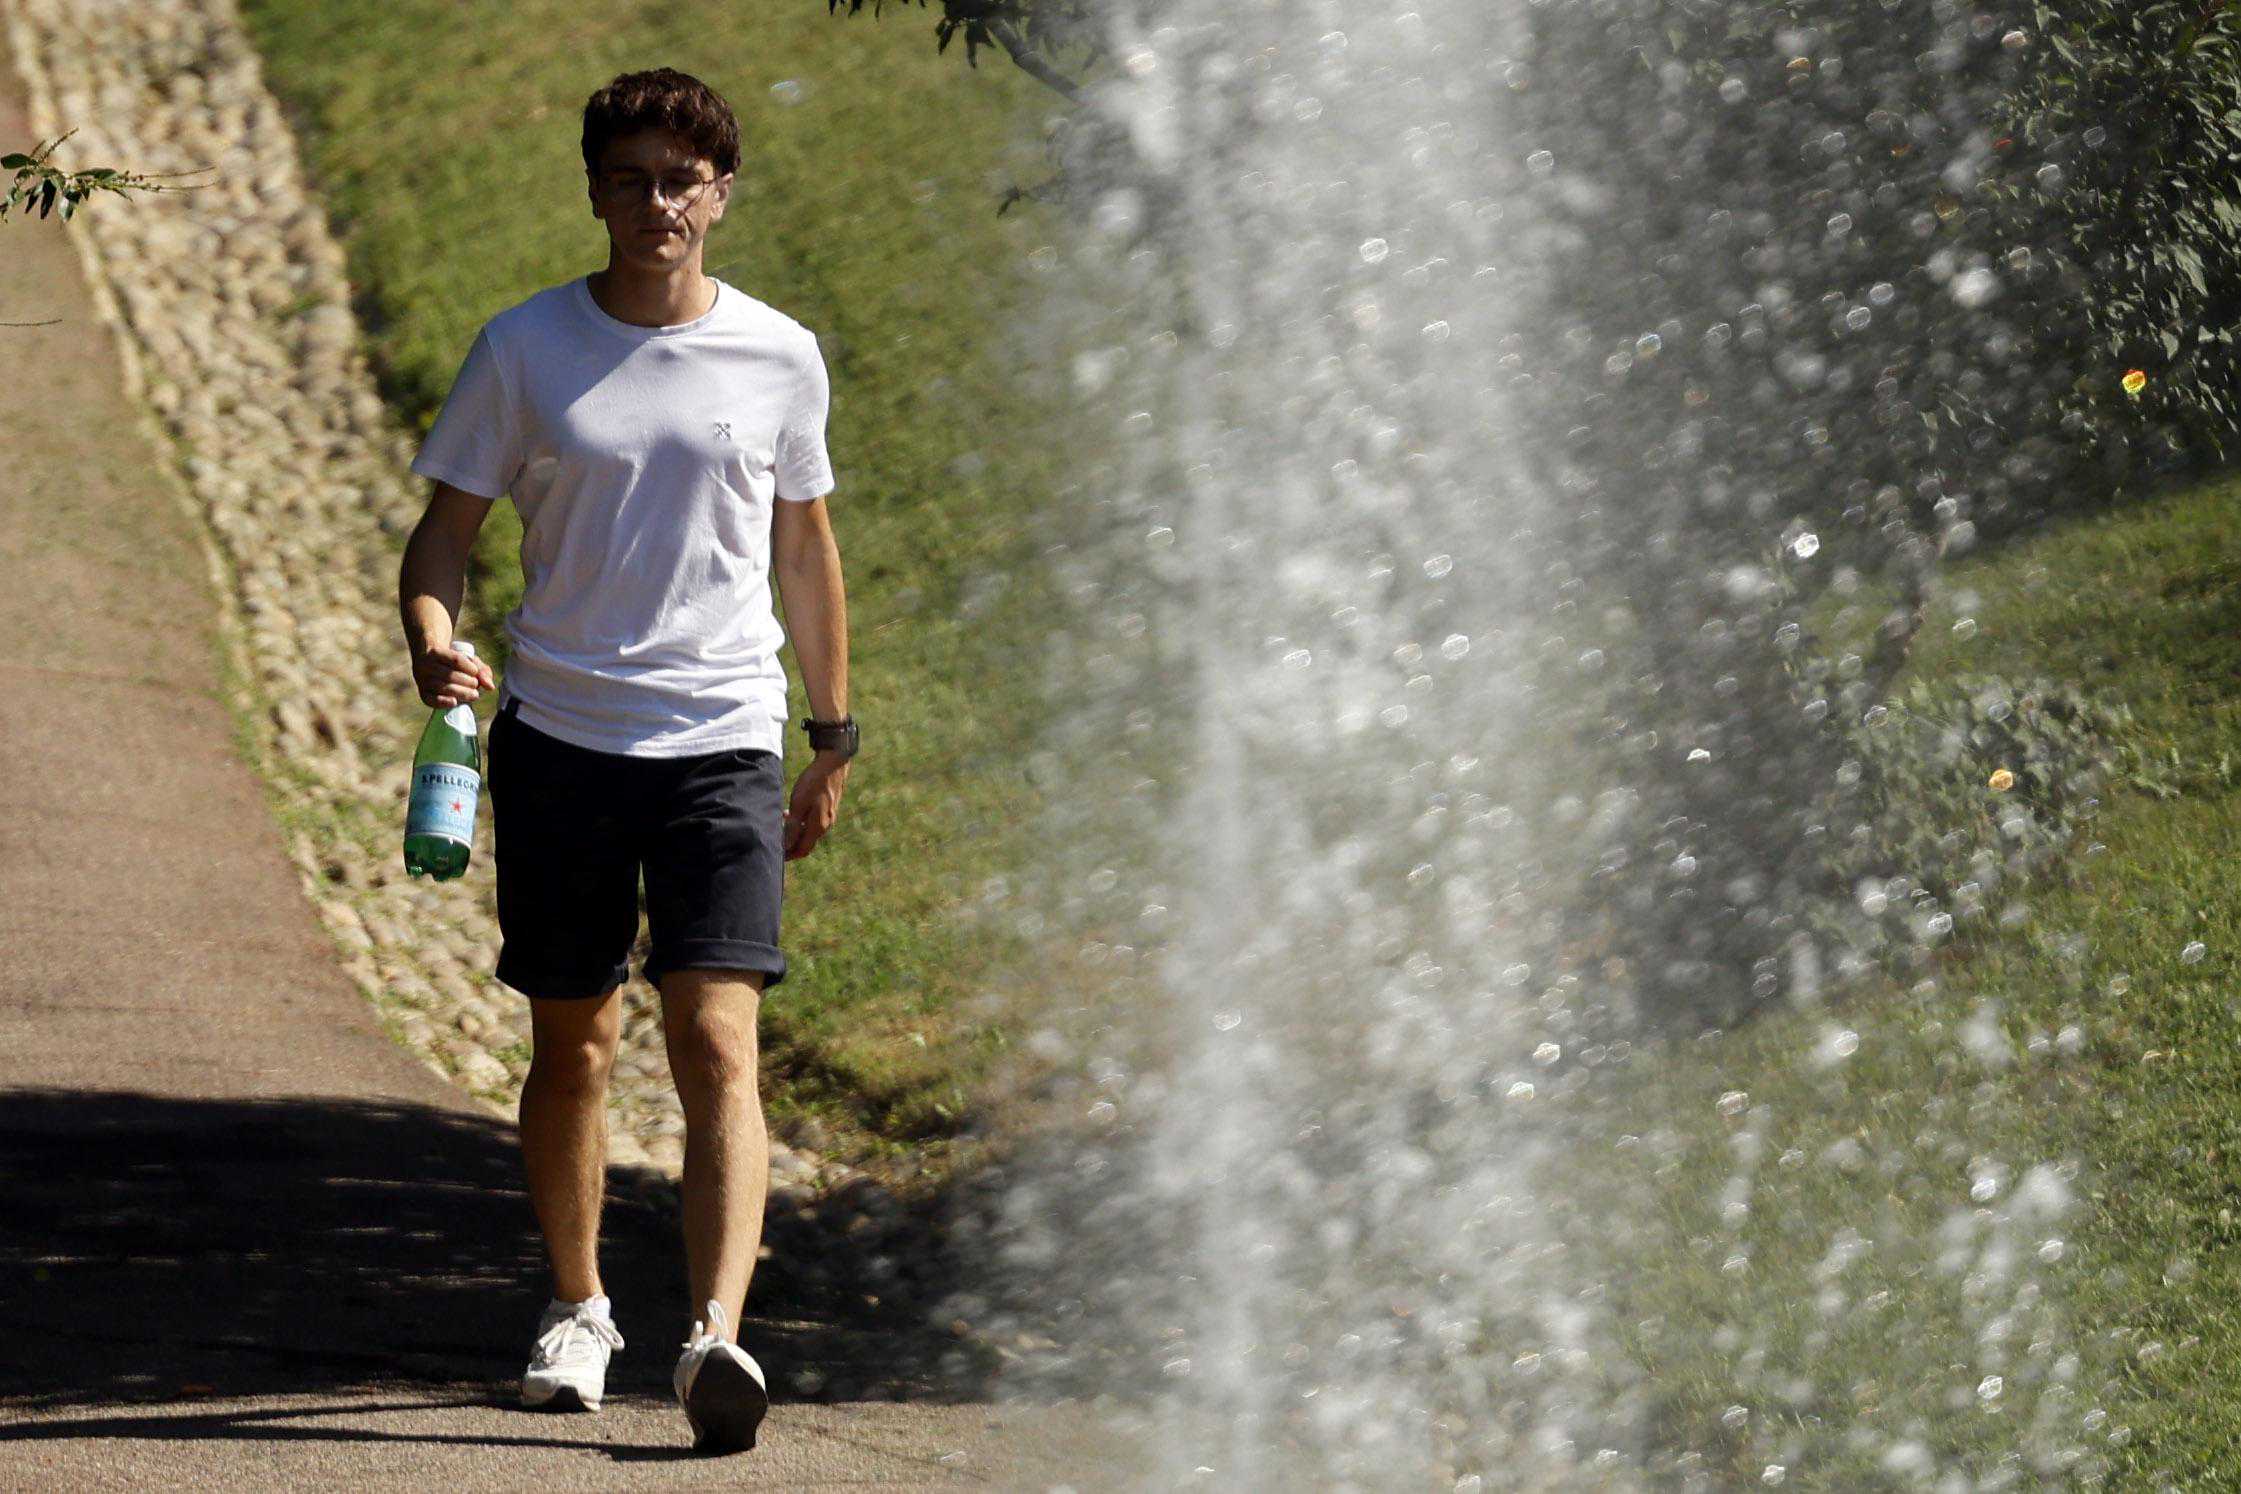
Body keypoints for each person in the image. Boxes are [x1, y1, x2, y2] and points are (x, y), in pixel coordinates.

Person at [395, 66, 858, 1455]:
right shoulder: (527, 348)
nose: (655, 202)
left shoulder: (780, 355)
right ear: (592, 189)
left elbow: (804, 554)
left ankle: (717, 1333)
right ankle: (581, 1305)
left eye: (680, 179)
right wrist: (433, 641)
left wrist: (832, 734)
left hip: (722, 732)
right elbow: (442, 540)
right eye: (628, 178)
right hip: (563, 733)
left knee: (717, 1031)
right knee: (574, 1040)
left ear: (719, 192)